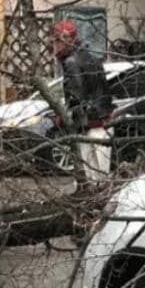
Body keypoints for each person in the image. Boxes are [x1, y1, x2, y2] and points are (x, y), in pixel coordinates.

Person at [52, 20, 113, 181]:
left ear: (69, 39)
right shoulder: (90, 57)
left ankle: (97, 203)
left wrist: (64, 117)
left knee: (93, 174)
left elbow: (76, 96)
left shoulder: (71, 62)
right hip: (101, 120)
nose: (57, 45)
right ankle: (100, 201)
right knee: (102, 174)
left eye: (59, 40)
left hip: (88, 123)